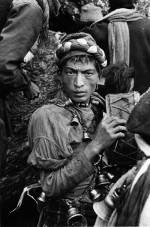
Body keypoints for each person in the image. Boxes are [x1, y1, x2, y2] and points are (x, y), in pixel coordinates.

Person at [27, 32, 127, 226]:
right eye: (71, 72)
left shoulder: (104, 108)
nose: (79, 83)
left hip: (106, 214)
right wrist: (96, 145)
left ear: (99, 77)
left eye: (88, 73)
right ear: (59, 77)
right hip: (67, 217)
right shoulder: (47, 116)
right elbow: (50, 186)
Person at [82, 0, 150, 94]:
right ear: (134, 4)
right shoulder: (147, 26)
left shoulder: (96, 30)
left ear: (110, 5)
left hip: (106, 101)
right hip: (145, 99)